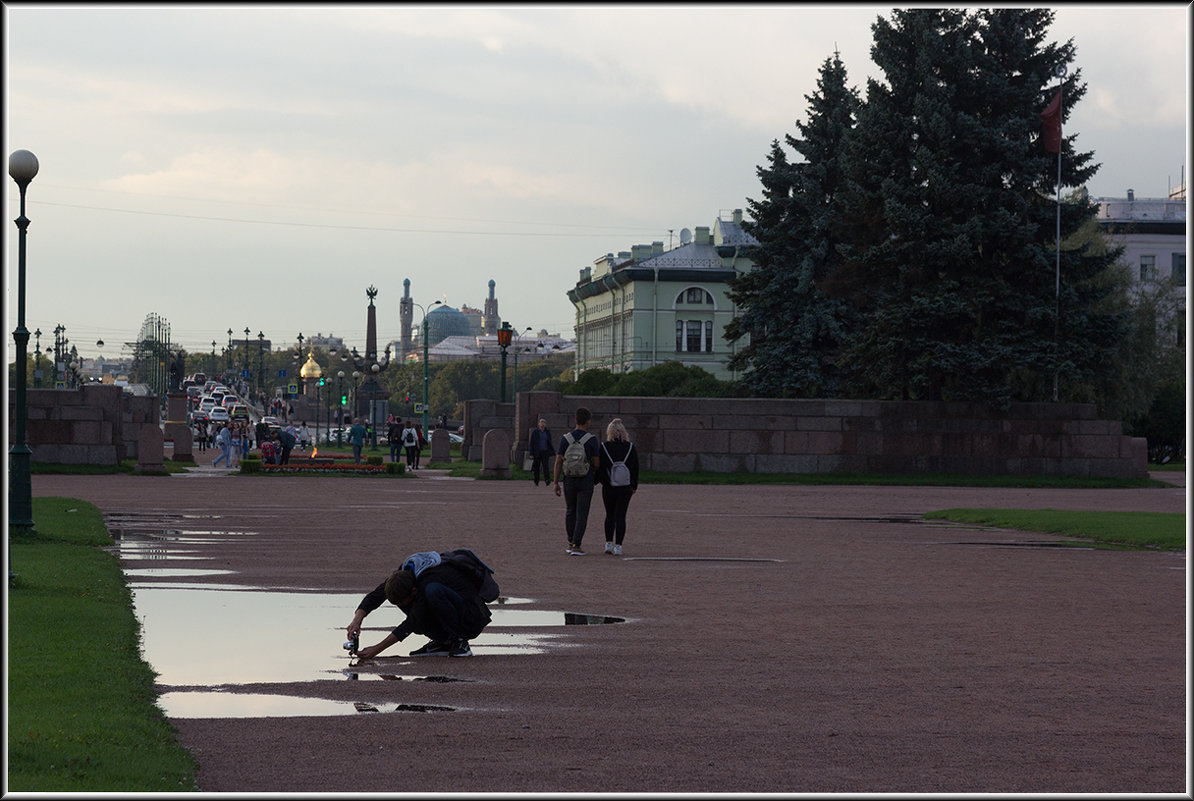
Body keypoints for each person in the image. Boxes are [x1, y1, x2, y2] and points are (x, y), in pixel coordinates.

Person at [346, 549, 499, 659]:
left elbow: (412, 622)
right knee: (405, 597)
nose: (402, 607)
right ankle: (444, 642)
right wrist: (357, 619)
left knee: (432, 591)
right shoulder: (403, 574)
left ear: (413, 590)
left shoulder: (427, 580)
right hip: (446, 606)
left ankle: (460, 641)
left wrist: (376, 649)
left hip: (471, 618)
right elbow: (376, 595)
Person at [553, 406, 600, 555]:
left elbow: (559, 461)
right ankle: (577, 544)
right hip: (585, 479)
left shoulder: (565, 438)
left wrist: (555, 482)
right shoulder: (591, 440)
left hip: (569, 478)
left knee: (570, 510)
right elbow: (597, 463)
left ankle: (570, 541)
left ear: (575, 420)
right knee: (582, 512)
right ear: (588, 421)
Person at [597, 418, 639, 556]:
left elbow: (600, 467)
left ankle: (608, 543)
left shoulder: (604, 447)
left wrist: (603, 481)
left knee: (609, 515)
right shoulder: (630, 447)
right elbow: (635, 468)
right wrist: (634, 485)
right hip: (625, 486)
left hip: (609, 486)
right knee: (621, 515)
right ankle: (619, 546)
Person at [527, 417, 555, 488]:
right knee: (537, 467)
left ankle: (547, 480)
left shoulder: (547, 432)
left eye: (544, 422)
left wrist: (551, 451)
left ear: (545, 424)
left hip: (545, 452)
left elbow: (549, 442)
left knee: (546, 466)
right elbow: (532, 443)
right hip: (537, 452)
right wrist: (531, 453)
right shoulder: (535, 432)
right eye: (541, 422)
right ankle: (536, 481)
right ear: (539, 424)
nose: (542, 424)